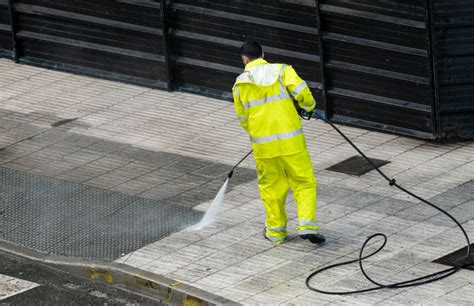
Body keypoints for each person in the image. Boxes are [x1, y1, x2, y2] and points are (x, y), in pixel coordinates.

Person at [232, 40, 325, 245]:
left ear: (244, 59)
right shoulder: (282, 71)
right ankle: (307, 225)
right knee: (303, 181)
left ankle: (275, 232)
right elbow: (303, 92)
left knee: (271, 187)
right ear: (263, 54)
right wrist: (307, 108)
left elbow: (243, 119)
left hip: (264, 147)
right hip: (291, 143)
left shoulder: (239, 84)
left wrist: (259, 133)